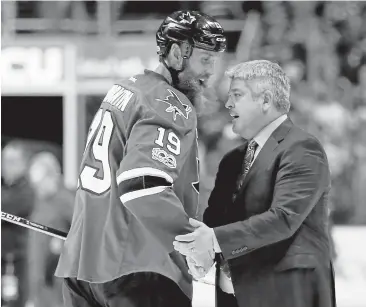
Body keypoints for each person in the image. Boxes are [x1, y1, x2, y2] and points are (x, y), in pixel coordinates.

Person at [55, 10, 226, 307]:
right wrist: (191, 241)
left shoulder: (125, 89)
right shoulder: (169, 103)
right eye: (206, 59)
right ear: (176, 54)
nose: (212, 71)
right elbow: (143, 186)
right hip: (136, 270)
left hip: (81, 269)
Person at [174, 60, 336, 307]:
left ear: (265, 100)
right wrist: (201, 253)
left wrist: (213, 239)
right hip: (234, 294)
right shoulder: (231, 160)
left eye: (237, 95)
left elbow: (283, 218)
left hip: (287, 294)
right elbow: (215, 222)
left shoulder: (302, 148)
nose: (228, 104)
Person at [27, 152, 74, 307]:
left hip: (57, 286)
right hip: (40, 286)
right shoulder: (41, 200)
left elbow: (83, 233)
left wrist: (63, 244)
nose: (37, 190)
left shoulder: (66, 199)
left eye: (40, 183)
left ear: (53, 176)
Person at [1, 141, 35, 307]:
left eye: (12, 161)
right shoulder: (4, 188)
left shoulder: (27, 190)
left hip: (14, 262)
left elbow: (7, 207)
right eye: (4, 161)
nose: (6, 166)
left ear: (24, 164)